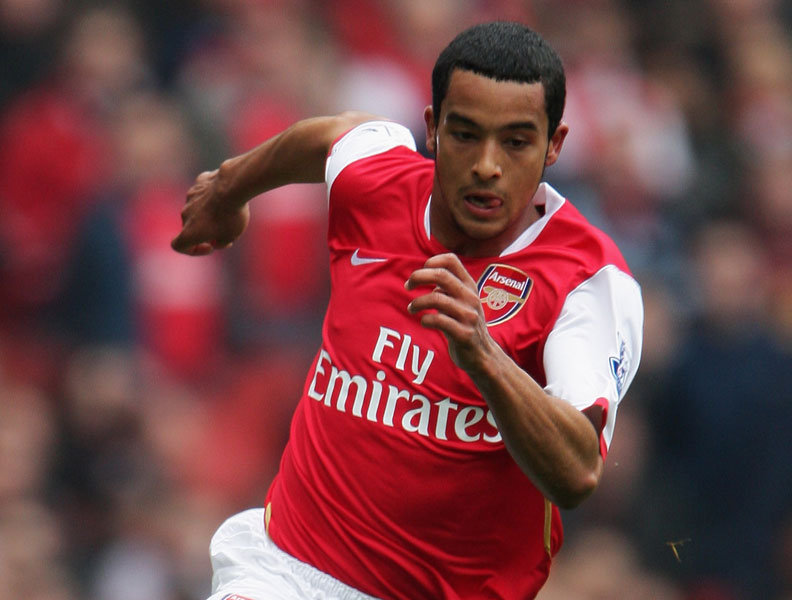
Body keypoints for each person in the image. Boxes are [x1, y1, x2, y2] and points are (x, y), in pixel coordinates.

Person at [172, 21, 643, 600]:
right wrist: (227, 189)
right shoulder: (378, 182)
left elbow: (577, 472)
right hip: (288, 570)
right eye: (465, 134)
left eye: (516, 142)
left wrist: (483, 355)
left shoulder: (588, 281)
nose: (487, 165)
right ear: (432, 128)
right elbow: (331, 137)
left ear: (554, 144)